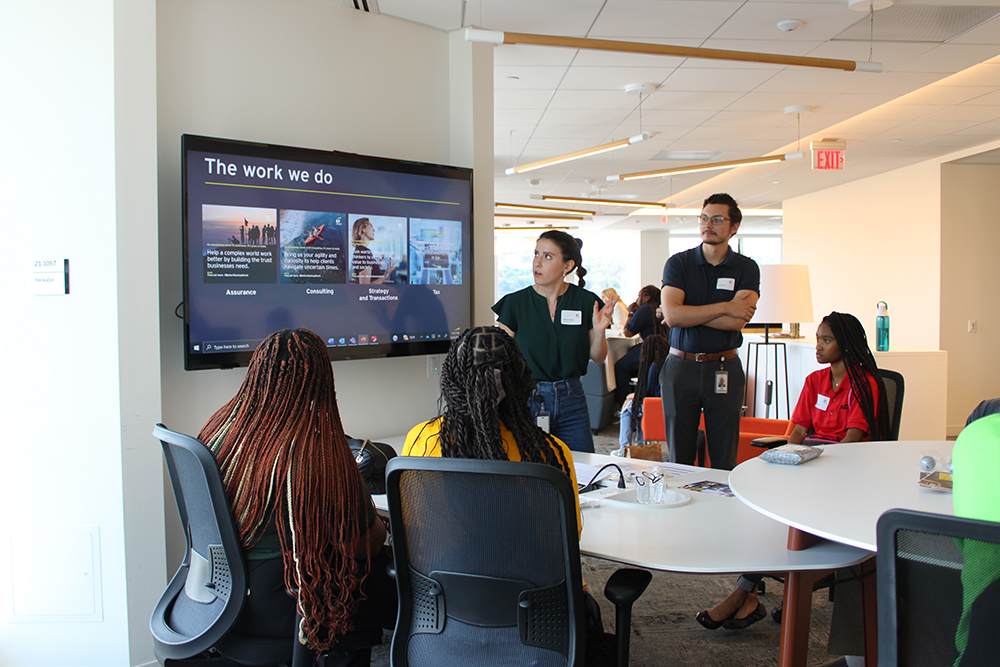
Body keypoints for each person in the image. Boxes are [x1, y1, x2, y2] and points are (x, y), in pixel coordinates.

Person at [198, 329, 395, 652]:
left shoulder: (221, 431)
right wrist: (377, 522)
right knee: (397, 583)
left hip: (220, 590)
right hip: (286, 599)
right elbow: (362, 547)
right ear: (322, 382)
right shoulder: (317, 455)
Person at [696, 311, 888, 635]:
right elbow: (798, 430)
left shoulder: (864, 384)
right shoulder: (816, 381)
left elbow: (852, 442)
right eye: (817, 339)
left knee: (782, 514)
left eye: (826, 340)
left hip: (844, 471)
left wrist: (812, 463)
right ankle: (753, 594)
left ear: (847, 344)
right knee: (761, 506)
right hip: (808, 460)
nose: (818, 346)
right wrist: (787, 458)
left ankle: (744, 594)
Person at [403, 325, 581, 534]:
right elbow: (571, 535)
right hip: (526, 565)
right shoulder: (550, 453)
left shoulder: (422, 440)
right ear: (522, 381)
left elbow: (411, 529)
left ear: (452, 382)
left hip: (438, 566)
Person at [659, 193, 760, 469]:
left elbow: (736, 322)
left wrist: (688, 312)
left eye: (717, 219)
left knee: (724, 455)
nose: (708, 225)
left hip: (724, 367)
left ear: (734, 226)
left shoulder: (746, 268)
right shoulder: (679, 263)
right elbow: (673, 315)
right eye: (704, 218)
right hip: (681, 366)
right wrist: (726, 306)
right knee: (679, 458)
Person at [493, 230, 615, 453]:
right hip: (527, 398)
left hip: (572, 398)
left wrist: (599, 332)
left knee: (583, 469)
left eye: (547, 257)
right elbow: (501, 363)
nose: (537, 263)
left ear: (567, 266)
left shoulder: (587, 301)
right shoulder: (515, 304)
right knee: (532, 473)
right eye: (536, 254)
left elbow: (598, 357)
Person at [614, 285, 667, 406]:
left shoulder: (645, 309)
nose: (637, 299)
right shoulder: (660, 308)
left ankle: (624, 404)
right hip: (663, 349)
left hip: (651, 348)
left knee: (621, 367)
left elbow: (628, 332)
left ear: (647, 297)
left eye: (639, 296)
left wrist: (631, 312)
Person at [617, 334, 670, 453]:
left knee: (627, 410)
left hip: (654, 407)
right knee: (634, 405)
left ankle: (624, 448)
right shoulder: (667, 365)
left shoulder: (653, 368)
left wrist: (632, 397)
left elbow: (647, 396)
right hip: (665, 406)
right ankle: (639, 444)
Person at [351, 217, 396, 284]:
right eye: (371, 226)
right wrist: (385, 275)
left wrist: (376, 267)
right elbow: (365, 287)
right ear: (362, 229)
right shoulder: (363, 252)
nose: (374, 230)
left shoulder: (361, 250)